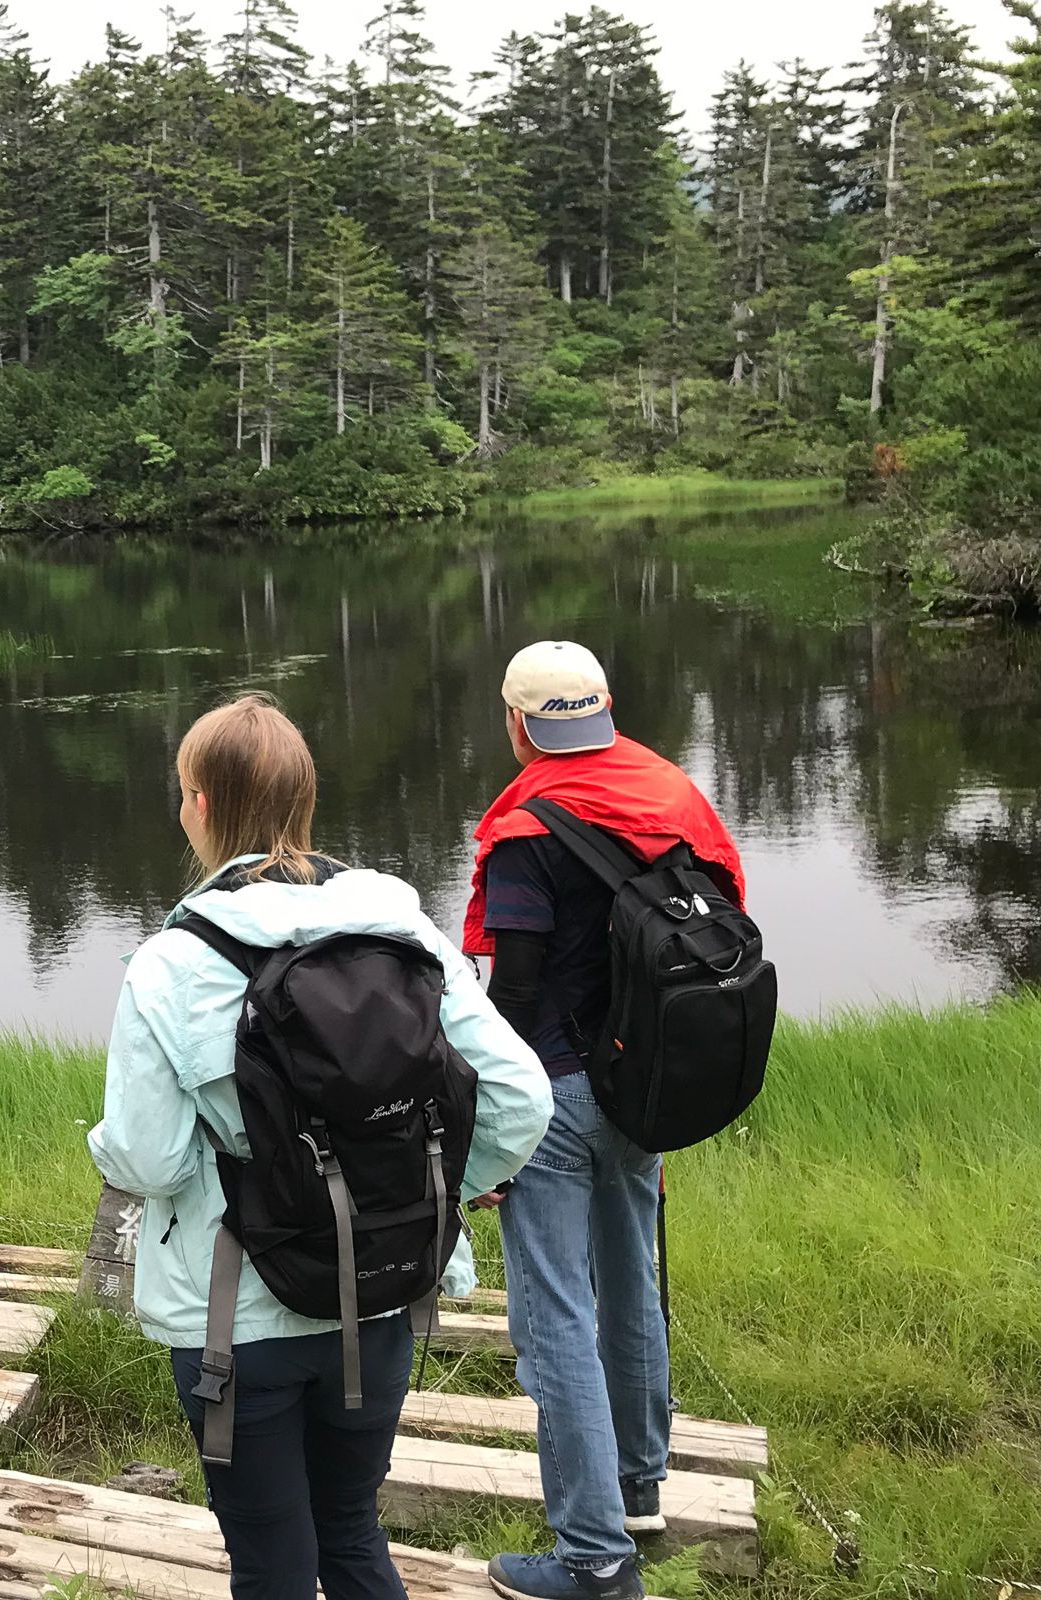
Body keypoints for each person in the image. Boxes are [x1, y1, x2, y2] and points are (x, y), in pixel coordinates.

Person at [89, 693, 551, 1600]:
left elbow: (147, 1162)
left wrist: (125, 1146)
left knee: (270, 1563)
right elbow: (521, 1098)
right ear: (304, 801)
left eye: (183, 789)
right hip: (379, 1292)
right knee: (349, 1528)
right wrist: (450, 1187)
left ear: (201, 805)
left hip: (236, 1320)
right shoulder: (403, 931)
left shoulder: (173, 963)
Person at [463, 642, 749, 1600]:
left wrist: (488, 1123)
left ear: (516, 724)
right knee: (631, 1279)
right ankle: (637, 1490)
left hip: (553, 1093)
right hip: (643, 1087)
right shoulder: (672, 796)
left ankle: (591, 1558)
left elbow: (517, 990)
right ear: (608, 709)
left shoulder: (526, 828)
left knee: (554, 1319)